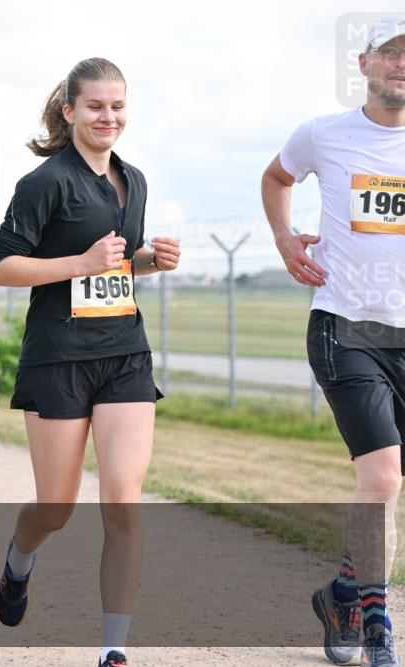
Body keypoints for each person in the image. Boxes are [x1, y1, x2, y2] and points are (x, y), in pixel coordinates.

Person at [0, 58, 180, 667]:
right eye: (96, 106)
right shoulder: (43, 184)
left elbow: (116, 264)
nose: (109, 117)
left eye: (118, 106)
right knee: (57, 507)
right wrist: (79, 263)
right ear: (69, 111)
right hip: (58, 359)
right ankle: (20, 559)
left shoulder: (135, 180)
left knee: (123, 500)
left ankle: (114, 649)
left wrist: (150, 258)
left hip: (124, 354)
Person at [261, 19, 405, 667]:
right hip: (345, 326)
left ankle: (343, 594)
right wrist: (286, 239)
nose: (401, 65)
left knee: (387, 487)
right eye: (392, 53)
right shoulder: (323, 133)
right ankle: (379, 632)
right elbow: (275, 178)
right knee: (381, 474)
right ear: (365, 61)